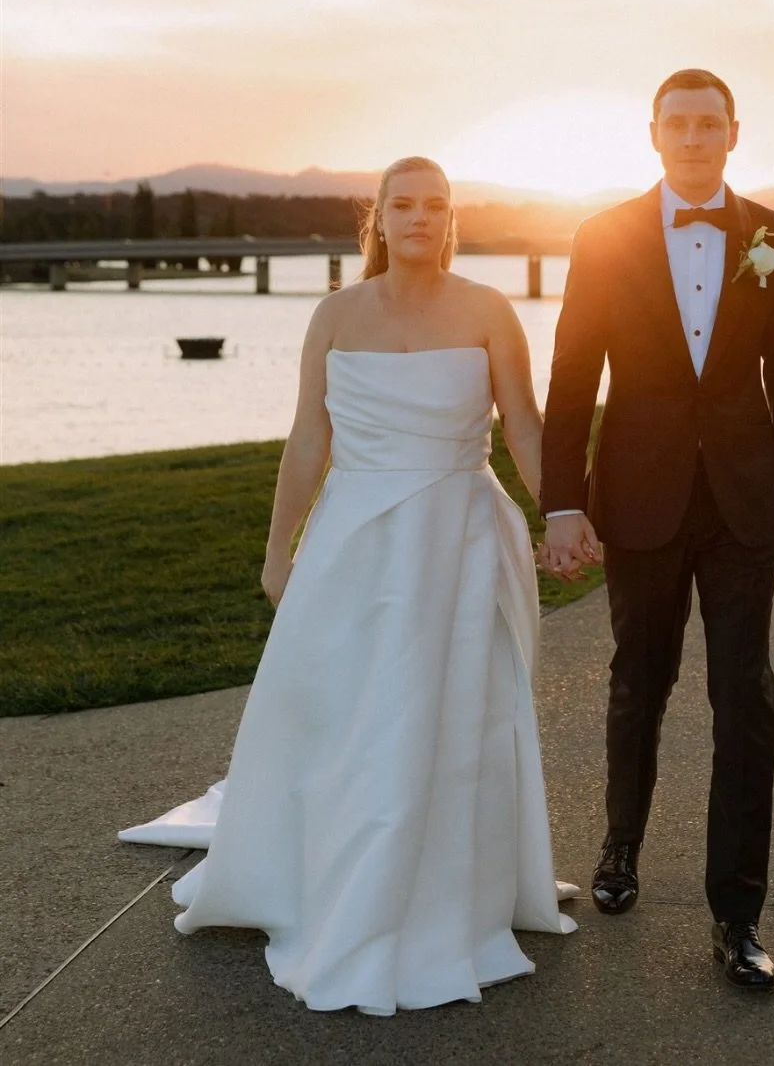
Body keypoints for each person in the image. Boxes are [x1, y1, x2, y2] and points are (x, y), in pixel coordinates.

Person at [120, 156, 576, 1015]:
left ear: (451, 219)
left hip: (459, 538)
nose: (419, 217)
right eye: (403, 204)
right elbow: (307, 441)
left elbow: (523, 423)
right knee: (345, 712)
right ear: (379, 219)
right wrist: (277, 550)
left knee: (453, 711)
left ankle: (450, 889)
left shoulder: (489, 310)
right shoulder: (333, 315)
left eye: (435, 205)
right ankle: (334, 874)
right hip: (354, 541)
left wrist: (562, 514)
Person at [539, 70, 774, 992]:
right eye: (679, 124)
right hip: (639, 494)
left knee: (745, 696)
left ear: (733, 133)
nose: (694, 138)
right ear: (654, 134)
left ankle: (737, 915)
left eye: (709, 124)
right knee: (639, 678)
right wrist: (563, 501)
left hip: (743, 501)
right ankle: (620, 844)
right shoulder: (602, 235)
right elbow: (573, 372)